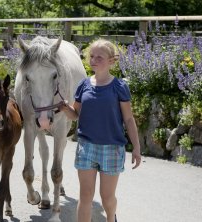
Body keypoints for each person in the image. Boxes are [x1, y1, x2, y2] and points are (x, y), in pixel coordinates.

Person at [59, 39, 141, 222]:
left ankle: (111, 217)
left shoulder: (119, 87)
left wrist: (136, 147)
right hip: (86, 147)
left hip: (112, 149)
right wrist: (65, 108)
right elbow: (75, 114)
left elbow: (128, 119)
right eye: (91, 56)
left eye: (99, 57)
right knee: (85, 196)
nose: (94, 60)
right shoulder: (83, 85)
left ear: (112, 61)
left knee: (107, 198)